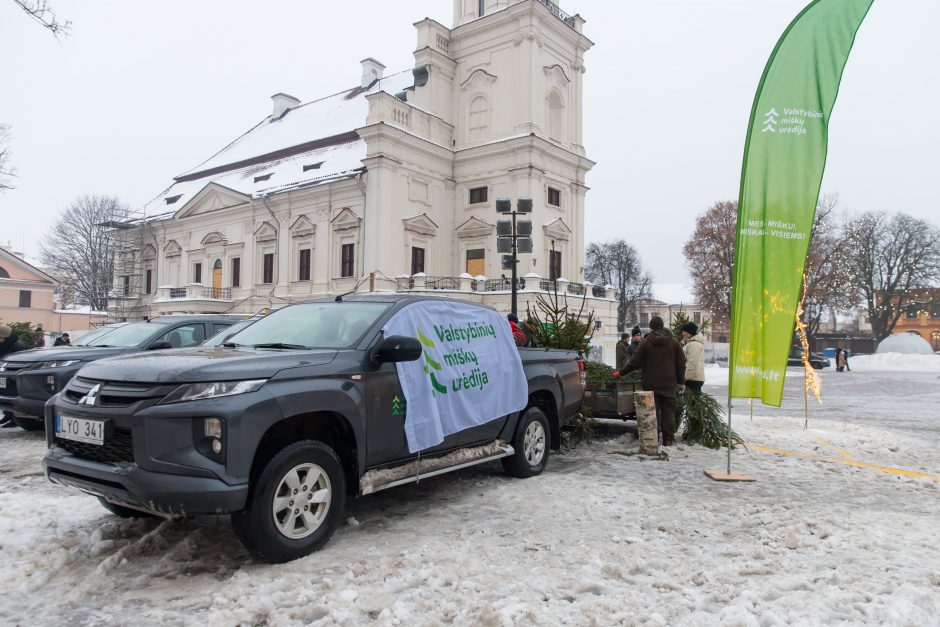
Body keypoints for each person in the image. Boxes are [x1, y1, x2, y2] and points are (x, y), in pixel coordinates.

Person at [615, 316, 686, 446]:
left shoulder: (646, 342)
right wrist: (681, 381)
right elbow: (681, 363)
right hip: (669, 383)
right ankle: (668, 439)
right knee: (669, 412)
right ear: (662, 325)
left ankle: (653, 437)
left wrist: (621, 372)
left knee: (653, 411)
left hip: (650, 383)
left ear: (651, 327)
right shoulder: (674, 342)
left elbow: (634, 362)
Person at [681, 322, 705, 393]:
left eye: (683, 331)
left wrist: (684, 378)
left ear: (689, 332)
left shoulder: (695, 345)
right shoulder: (690, 343)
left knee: (692, 403)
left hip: (693, 379)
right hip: (692, 378)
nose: (682, 333)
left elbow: (692, 363)